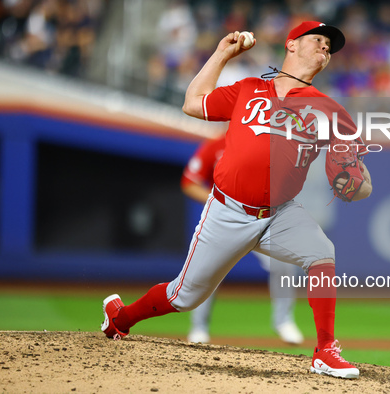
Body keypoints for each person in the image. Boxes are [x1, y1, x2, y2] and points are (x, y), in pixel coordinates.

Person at [101, 21, 372, 379]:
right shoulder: (249, 88)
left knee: (322, 254)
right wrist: (222, 54)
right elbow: (193, 104)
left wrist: (353, 183)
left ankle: (325, 350)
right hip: (229, 210)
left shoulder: (330, 111)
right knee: (185, 296)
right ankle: (121, 316)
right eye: (317, 40)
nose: (324, 48)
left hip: (281, 213)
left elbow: (361, 178)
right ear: (291, 45)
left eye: (329, 46)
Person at [181, 135, 304, 345]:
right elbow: (189, 183)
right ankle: (199, 328)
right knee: (206, 272)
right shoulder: (215, 146)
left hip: (261, 218)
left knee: (284, 262)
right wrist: (218, 201)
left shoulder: (267, 143)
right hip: (226, 220)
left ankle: (283, 321)